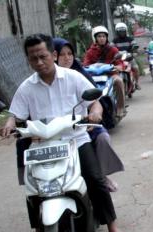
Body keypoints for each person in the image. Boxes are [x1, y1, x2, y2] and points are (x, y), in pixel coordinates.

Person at [0, 33, 131, 232]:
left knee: (95, 179)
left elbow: (94, 103)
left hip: (75, 139)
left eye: (43, 56)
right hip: (42, 144)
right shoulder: (26, 87)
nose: (39, 62)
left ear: (53, 55)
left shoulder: (73, 78)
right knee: (34, 188)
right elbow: (16, 114)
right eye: (33, 58)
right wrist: (9, 123)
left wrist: (95, 113)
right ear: (28, 60)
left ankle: (113, 228)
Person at [53, 37, 124, 192]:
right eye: (62, 54)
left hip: (80, 127)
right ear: (53, 56)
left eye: (69, 54)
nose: (66, 58)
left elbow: (95, 102)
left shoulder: (79, 74)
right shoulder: (39, 81)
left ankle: (101, 175)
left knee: (102, 137)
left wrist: (93, 116)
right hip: (54, 133)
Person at [83, 26, 126, 121]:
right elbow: (85, 64)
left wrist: (117, 67)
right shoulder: (90, 52)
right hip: (95, 76)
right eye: (99, 36)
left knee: (119, 81)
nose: (102, 38)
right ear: (95, 38)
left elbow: (120, 63)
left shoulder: (113, 50)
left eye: (103, 36)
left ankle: (120, 108)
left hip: (110, 74)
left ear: (106, 37)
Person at [112, 22, 141, 90]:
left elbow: (134, 45)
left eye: (123, 31)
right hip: (119, 59)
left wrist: (134, 51)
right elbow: (111, 47)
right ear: (117, 32)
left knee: (136, 68)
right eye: (120, 31)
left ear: (126, 31)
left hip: (129, 58)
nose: (121, 33)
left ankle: (136, 83)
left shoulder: (130, 39)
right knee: (113, 70)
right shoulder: (115, 40)